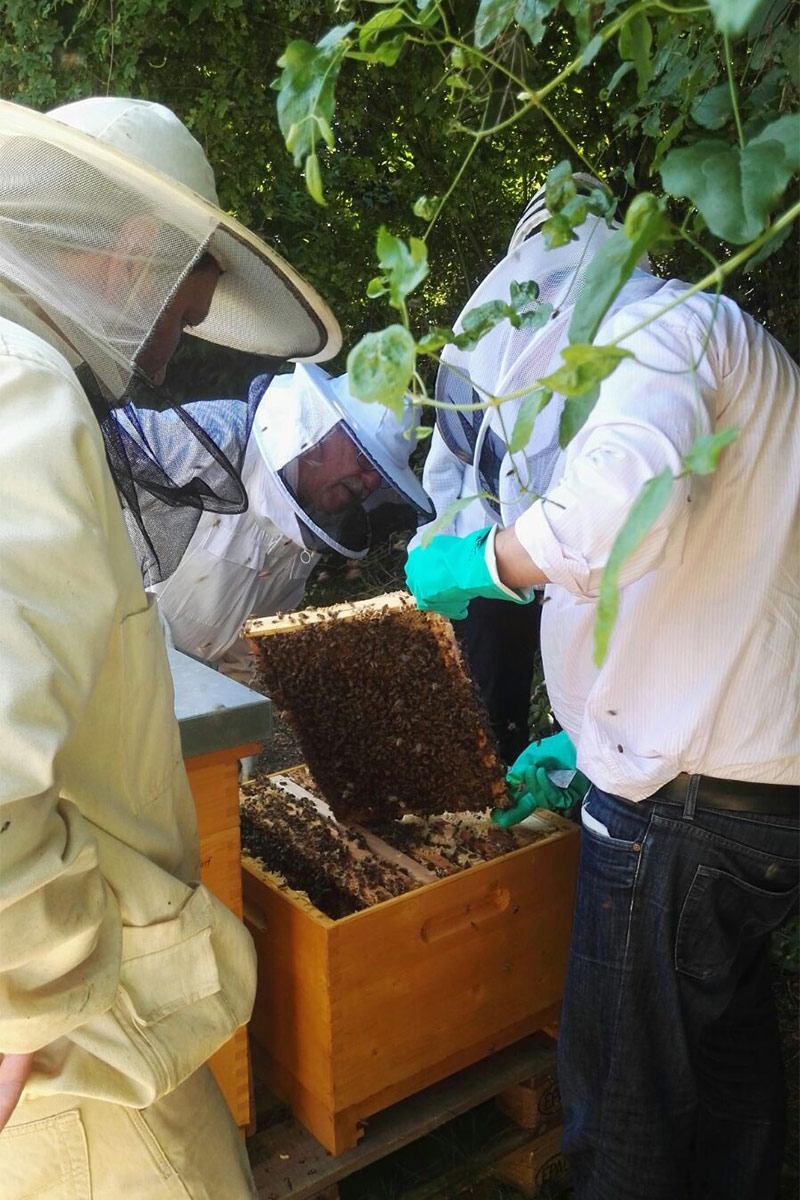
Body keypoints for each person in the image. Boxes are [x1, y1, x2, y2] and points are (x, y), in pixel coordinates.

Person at [406, 181, 800, 1199]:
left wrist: (484, 559)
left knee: (620, 1112)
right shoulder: (720, 344)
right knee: (721, 1065)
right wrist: (584, 748)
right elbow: (711, 600)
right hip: (749, 800)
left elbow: (613, 514)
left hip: (681, 818)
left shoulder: (657, 329)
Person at [0, 95, 339, 1199]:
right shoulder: (23, 392)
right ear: (137, 253)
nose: (173, 346)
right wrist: (39, 993)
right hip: (84, 1070)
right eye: (184, 312)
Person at [410, 177, 657, 763]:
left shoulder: (634, 326)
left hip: (599, 561)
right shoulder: (494, 332)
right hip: (485, 567)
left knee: (611, 701)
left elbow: (618, 495)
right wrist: (441, 550)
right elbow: (447, 467)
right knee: (486, 723)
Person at [144, 363, 434, 678]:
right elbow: (93, 457)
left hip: (175, 690)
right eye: (366, 459)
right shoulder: (210, 437)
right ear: (323, 428)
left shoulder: (312, 518)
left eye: (384, 476)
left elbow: (244, 643)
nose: (371, 483)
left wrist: (236, 705)